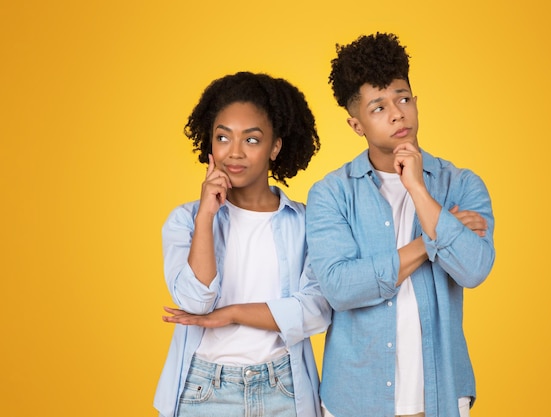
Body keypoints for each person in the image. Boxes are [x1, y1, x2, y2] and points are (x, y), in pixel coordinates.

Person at [305, 33, 496, 417]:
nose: (397, 113)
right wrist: (432, 241)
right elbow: (340, 288)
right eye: (378, 107)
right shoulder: (331, 194)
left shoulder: (460, 184)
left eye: (403, 98)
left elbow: (474, 269)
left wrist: (418, 189)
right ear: (356, 124)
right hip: (354, 399)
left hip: (442, 394)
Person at [154, 71, 331, 417]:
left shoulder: (308, 223)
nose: (234, 153)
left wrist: (233, 314)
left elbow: (316, 310)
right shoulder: (185, 221)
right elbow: (194, 302)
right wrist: (206, 216)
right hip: (204, 390)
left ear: (275, 146)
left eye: (251, 140)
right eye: (223, 137)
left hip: (283, 387)